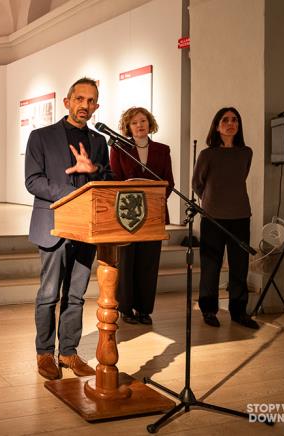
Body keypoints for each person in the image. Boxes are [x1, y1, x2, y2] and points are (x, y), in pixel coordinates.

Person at [25, 77, 112, 380]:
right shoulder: (40, 136)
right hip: (54, 227)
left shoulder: (100, 142)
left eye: (91, 101)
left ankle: (69, 353)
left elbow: (108, 179)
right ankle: (45, 353)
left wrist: (95, 170)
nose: (85, 105)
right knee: (49, 294)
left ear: (96, 106)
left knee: (75, 296)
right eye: (80, 99)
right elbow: (33, 180)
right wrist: (70, 194)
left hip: (87, 229)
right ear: (67, 102)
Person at [192, 107, 259, 329]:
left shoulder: (246, 153)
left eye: (235, 120)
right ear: (217, 125)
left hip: (240, 215)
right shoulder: (207, 154)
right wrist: (211, 201)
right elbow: (197, 184)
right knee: (211, 265)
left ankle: (239, 311)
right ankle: (209, 310)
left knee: (240, 266)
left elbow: (241, 177)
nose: (230, 123)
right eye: (225, 120)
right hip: (213, 217)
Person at [110, 107, 174, 325]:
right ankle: (126, 308)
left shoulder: (163, 150)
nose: (140, 125)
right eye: (135, 122)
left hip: (153, 214)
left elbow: (169, 182)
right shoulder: (119, 148)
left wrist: (155, 200)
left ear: (150, 123)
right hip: (127, 212)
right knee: (127, 262)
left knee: (149, 262)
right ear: (128, 127)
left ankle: (144, 309)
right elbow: (115, 179)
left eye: (143, 121)